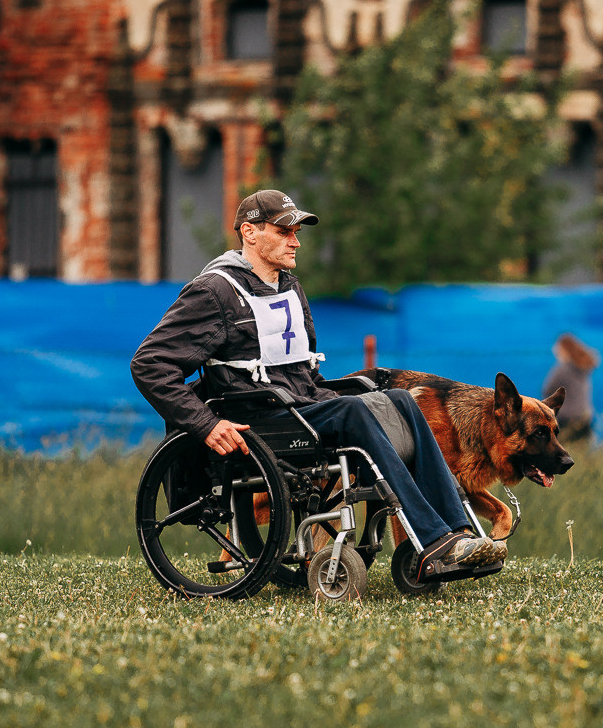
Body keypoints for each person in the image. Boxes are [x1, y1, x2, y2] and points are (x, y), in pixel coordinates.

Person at [131, 189, 503, 579]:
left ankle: (457, 535)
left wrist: (338, 392)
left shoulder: (289, 286)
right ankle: (434, 542)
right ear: (249, 233)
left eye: (297, 231)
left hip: (300, 404)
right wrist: (206, 424)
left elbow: (304, 373)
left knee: (401, 401)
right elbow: (149, 364)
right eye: (284, 231)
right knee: (355, 410)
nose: (296, 241)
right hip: (258, 416)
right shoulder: (214, 292)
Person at [541, 332, 599, 441]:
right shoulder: (584, 368)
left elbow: (547, 389)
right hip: (585, 417)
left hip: (565, 419)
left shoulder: (563, 369)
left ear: (562, 349)